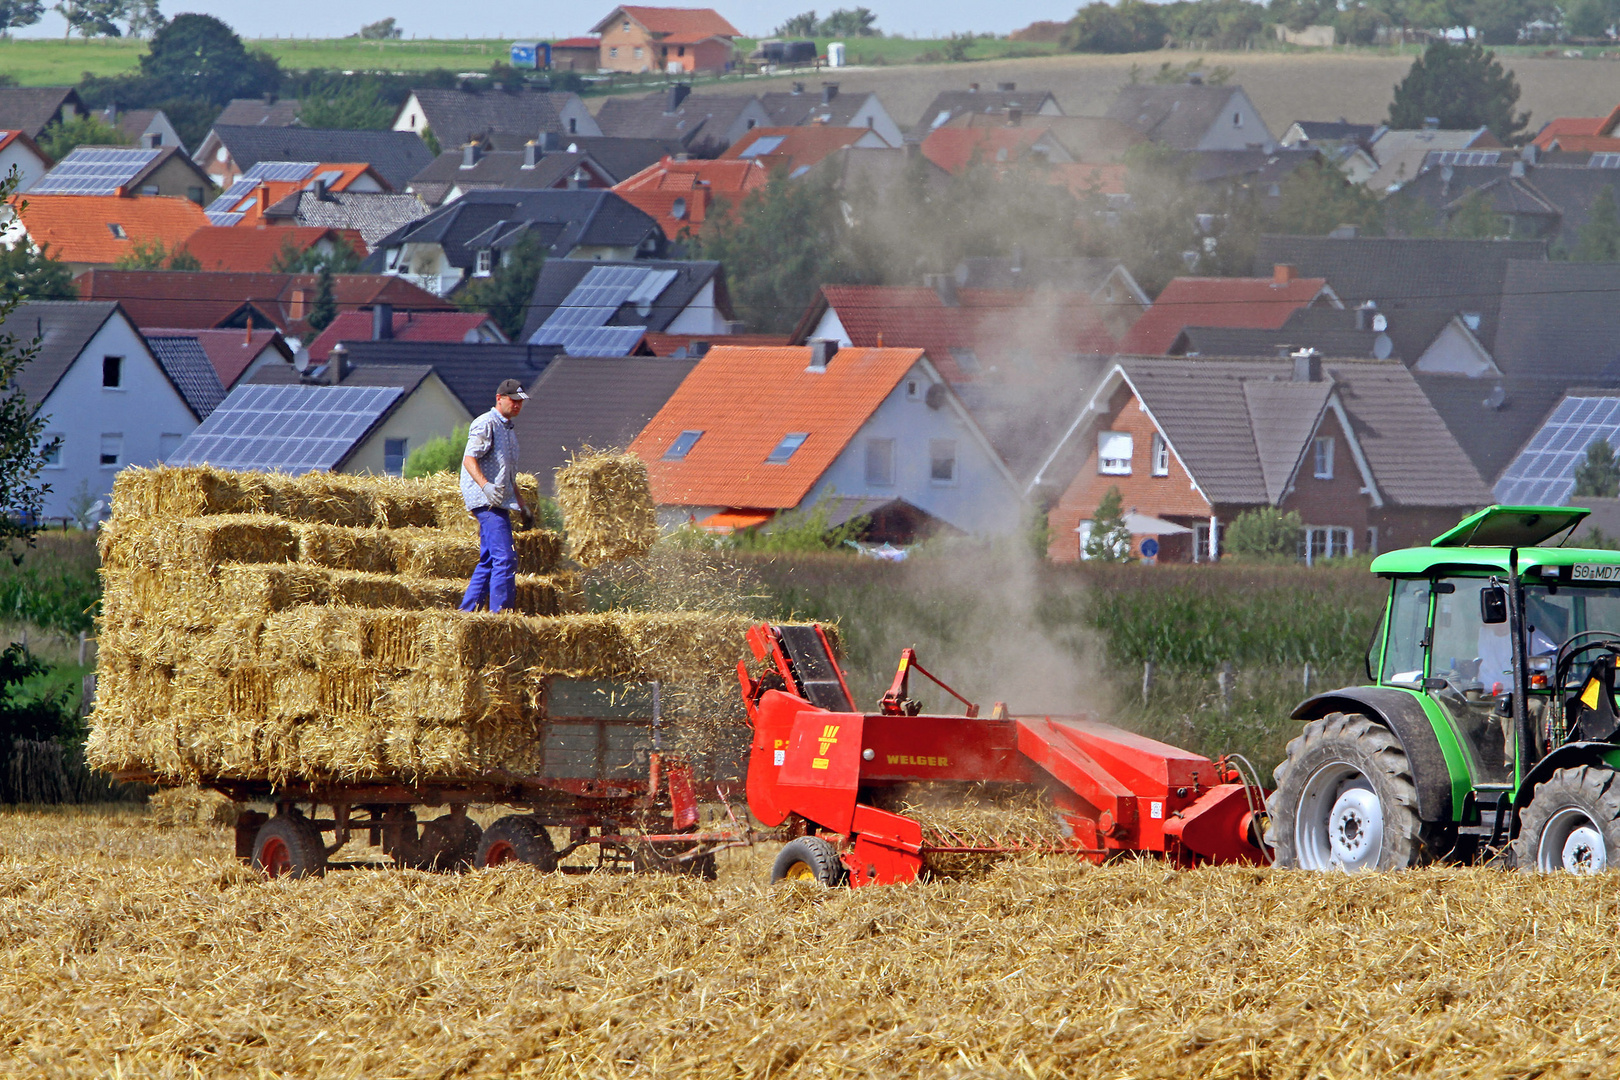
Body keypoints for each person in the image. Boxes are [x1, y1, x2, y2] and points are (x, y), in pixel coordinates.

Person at [459, 378, 533, 614]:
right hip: (486, 501)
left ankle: (467, 612)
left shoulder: (509, 431)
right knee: (506, 558)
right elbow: (469, 459)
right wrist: (485, 486)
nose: (518, 405)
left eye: (520, 402)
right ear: (499, 399)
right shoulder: (486, 423)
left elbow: (508, 476)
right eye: (513, 400)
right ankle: (501, 616)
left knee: (490, 560)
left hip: (499, 501)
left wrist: (522, 506)